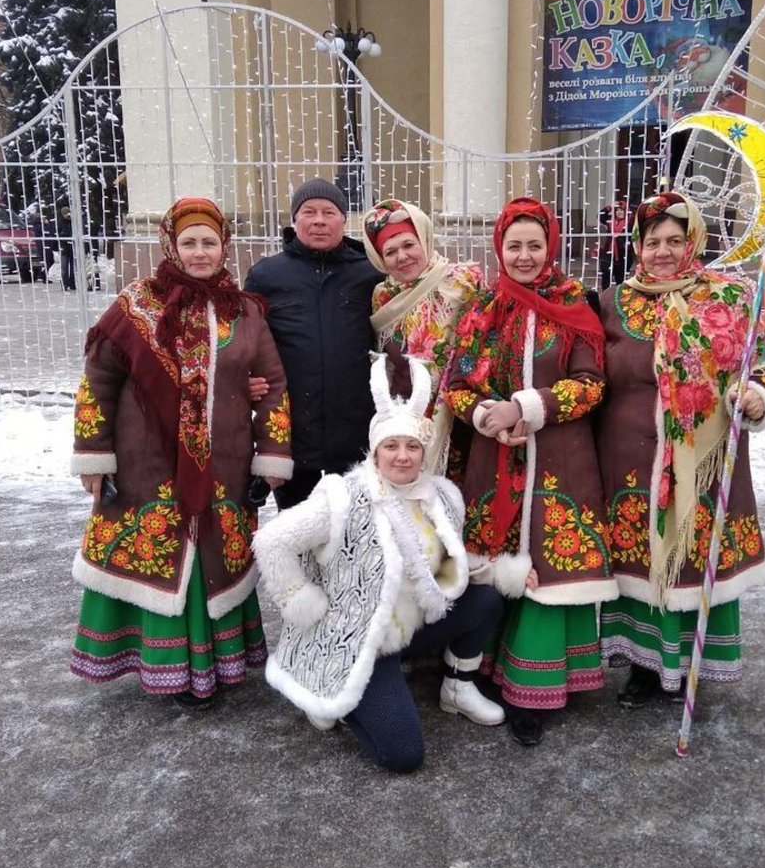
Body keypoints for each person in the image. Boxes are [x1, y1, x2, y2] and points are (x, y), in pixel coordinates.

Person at [70, 197, 293, 710]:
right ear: (171, 245)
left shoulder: (246, 312)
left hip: (226, 464)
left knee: (211, 557)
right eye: (188, 242)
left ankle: (216, 665)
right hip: (146, 463)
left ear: (224, 248)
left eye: (208, 243)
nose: (199, 253)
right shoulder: (136, 305)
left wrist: (272, 456)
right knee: (164, 555)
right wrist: (93, 457)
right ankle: (167, 666)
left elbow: (275, 385)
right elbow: (97, 380)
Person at [254, 355, 506, 773]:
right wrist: (301, 600)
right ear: (375, 450)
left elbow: (448, 565)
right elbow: (271, 541)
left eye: (412, 446)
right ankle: (342, 697)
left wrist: (503, 570)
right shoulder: (343, 497)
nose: (402, 457)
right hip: (358, 640)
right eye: (391, 446)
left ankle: (458, 688)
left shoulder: (441, 497)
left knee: (487, 599)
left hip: (411, 624)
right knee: (403, 755)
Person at [595, 190, 765, 706]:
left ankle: (692, 665)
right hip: (628, 457)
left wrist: (755, 394)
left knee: (690, 556)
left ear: (693, 242)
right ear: (637, 246)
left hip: (702, 457)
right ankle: (642, 665)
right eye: (653, 241)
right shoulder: (614, 301)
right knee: (640, 562)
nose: (663, 251)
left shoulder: (728, 296)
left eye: (675, 240)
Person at [445, 197, 617, 746]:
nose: (523, 256)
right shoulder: (482, 307)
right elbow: (456, 383)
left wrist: (528, 407)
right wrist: (485, 416)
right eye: (514, 245)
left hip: (559, 462)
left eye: (534, 245)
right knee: (492, 568)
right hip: (492, 460)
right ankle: (479, 673)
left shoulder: (575, 304)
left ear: (551, 247)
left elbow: (592, 383)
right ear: (500, 247)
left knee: (548, 570)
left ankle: (532, 691)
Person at [245, 177, 381, 509]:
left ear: (343, 220)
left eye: (329, 212)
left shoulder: (369, 273)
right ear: (294, 219)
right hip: (292, 430)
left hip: (354, 428)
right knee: (297, 525)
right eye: (309, 211)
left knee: (352, 524)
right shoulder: (266, 275)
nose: (319, 220)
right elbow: (245, 340)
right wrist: (243, 380)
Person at [362, 197, 483, 474]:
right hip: (406, 417)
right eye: (390, 252)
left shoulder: (460, 281)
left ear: (424, 240)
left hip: (459, 413)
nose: (402, 257)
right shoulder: (382, 297)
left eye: (408, 245)